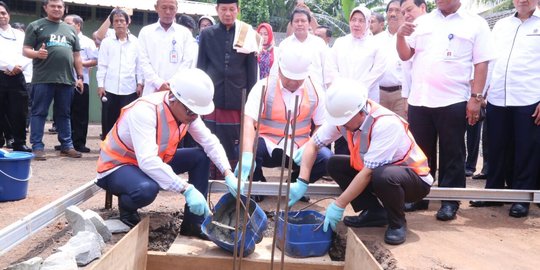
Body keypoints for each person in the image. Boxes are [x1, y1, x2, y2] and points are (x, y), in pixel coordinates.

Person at [96, 68, 241, 240]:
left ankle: (193, 224)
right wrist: (186, 189)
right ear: (173, 98)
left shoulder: (187, 113)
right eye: (191, 111)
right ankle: (127, 209)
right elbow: (148, 161)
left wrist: (227, 172)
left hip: (150, 161)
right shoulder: (145, 111)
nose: (194, 117)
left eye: (198, 113)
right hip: (117, 166)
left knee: (200, 157)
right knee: (147, 189)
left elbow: (209, 142)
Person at [288, 78, 432, 245]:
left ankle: (397, 223)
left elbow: (368, 173)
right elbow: (313, 145)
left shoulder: (385, 123)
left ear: (361, 112)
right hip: (377, 172)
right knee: (334, 164)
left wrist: (339, 204)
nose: (341, 125)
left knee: (383, 176)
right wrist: (302, 181)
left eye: (343, 121)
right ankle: (374, 212)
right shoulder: (345, 118)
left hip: (413, 180)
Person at [396, 0, 494, 220]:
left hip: (453, 99)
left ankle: (450, 200)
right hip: (420, 99)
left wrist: (476, 98)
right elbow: (405, 55)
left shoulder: (475, 23)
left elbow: (481, 63)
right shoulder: (423, 22)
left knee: (453, 152)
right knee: (421, 153)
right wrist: (400, 36)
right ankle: (419, 196)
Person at [470, 0, 540, 218]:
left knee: (525, 150)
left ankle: (521, 198)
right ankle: (493, 192)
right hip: (498, 97)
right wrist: (481, 93)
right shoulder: (501, 25)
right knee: (496, 147)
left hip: (529, 96)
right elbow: (489, 60)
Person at [238, 45, 332, 202]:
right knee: (247, 147)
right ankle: (257, 182)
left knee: (326, 158)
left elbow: (322, 125)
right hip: (268, 144)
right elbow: (248, 120)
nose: (293, 83)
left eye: (298, 79)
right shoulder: (264, 86)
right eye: (289, 78)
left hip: (300, 147)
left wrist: (311, 145)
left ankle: (297, 182)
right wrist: (247, 155)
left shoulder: (315, 90)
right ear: (280, 70)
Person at [197, 0, 258, 179]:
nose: (228, 13)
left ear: (238, 10)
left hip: (237, 97)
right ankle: (208, 177)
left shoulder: (247, 33)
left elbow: (251, 71)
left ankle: (234, 178)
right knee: (210, 138)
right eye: (224, 9)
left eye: (232, 9)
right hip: (212, 97)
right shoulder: (207, 34)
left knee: (235, 142)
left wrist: (251, 102)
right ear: (217, 10)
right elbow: (201, 66)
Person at [23, 0, 84, 161]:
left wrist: (80, 76)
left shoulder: (70, 30)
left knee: (64, 114)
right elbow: (26, 50)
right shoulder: (35, 26)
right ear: (45, 8)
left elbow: (76, 55)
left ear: (64, 9)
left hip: (66, 80)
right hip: (43, 78)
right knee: (39, 113)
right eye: (53, 6)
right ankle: (37, 147)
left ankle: (67, 146)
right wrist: (37, 54)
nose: (57, 9)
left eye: (60, 6)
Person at [325, 5, 387, 154]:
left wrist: (358, 90)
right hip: (342, 97)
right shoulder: (341, 42)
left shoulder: (376, 44)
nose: (356, 24)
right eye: (354, 20)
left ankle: (364, 173)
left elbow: (379, 70)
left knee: (365, 135)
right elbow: (331, 67)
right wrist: (342, 88)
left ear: (367, 23)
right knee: (342, 133)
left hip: (366, 98)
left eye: (361, 20)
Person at [96, 9, 143, 138]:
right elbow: (102, 65)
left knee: (126, 120)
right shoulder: (106, 42)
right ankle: (107, 147)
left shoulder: (136, 42)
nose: (119, 23)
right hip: (109, 88)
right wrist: (101, 85)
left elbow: (139, 66)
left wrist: (140, 83)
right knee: (108, 119)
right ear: (112, 24)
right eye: (116, 21)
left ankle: (124, 148)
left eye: (122, 20)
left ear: (128, 23)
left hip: (129, 89)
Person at [138, 0, 198, 96]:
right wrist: (158, 83)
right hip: (152, 90)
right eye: (164, 7)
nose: (168, 12)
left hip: (176, 91)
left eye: (171, 8)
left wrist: (171, 83)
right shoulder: (145, 32)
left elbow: (187, 61)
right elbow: (143, 61)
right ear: (156, 8)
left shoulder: (185, 33)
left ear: (177, 9)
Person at [64, 14, 97, 153]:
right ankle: (66, 142)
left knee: (80, 113)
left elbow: (95, 60)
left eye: (68, 23)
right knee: (65, 112)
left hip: (81, 81)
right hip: (64, 80)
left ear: (78, 25)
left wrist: (80, 63)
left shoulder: (87, 42)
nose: (64, 25)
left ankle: (79, 143)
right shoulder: (62, 39)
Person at [0, 1, 31, 152]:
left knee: (19, 110)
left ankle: (19, 142)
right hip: (1, 73)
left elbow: (28, 52)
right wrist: (9, 66)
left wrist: (19, 67)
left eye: (3, 13)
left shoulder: (20, 34)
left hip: (18, 76)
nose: (1, 16)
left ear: (9, 15)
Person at [280, 8, 328, 90]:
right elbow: (279, 71)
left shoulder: (319, 43)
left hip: (317, 92)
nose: (300, 24)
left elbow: (327, 69)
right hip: (293, 92)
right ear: (291, 24)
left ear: (309, 23)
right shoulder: (284, 45)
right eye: (296, 21)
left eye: (303, 21)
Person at [378, 0, 407, 119]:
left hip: (401, 95)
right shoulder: (376, 40)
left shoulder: (409, 37)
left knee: (402, 130)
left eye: (397, 10)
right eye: (390, 10)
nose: (393, 14)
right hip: (380, 95)